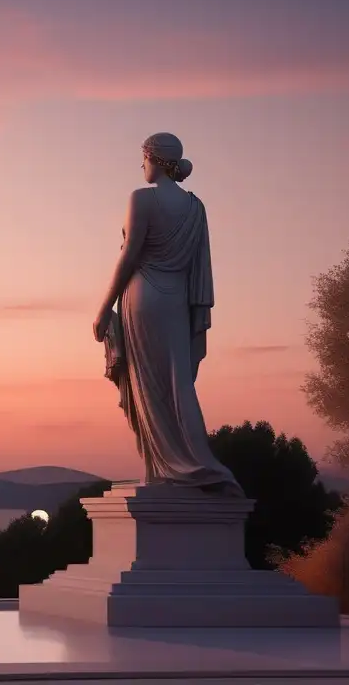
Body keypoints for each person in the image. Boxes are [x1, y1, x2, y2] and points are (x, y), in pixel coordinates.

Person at [93, 132, 243, 496]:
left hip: (143, 297)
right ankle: (168, 469)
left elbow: (129, 256)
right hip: (176, 299)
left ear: (153, 159)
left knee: (153, 386)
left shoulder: (142, 199)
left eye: (142, 159)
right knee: (177, 383)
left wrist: (103, 307)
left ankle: (184, 467)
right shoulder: (196, 206)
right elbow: (198, 265)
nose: (141, 166)